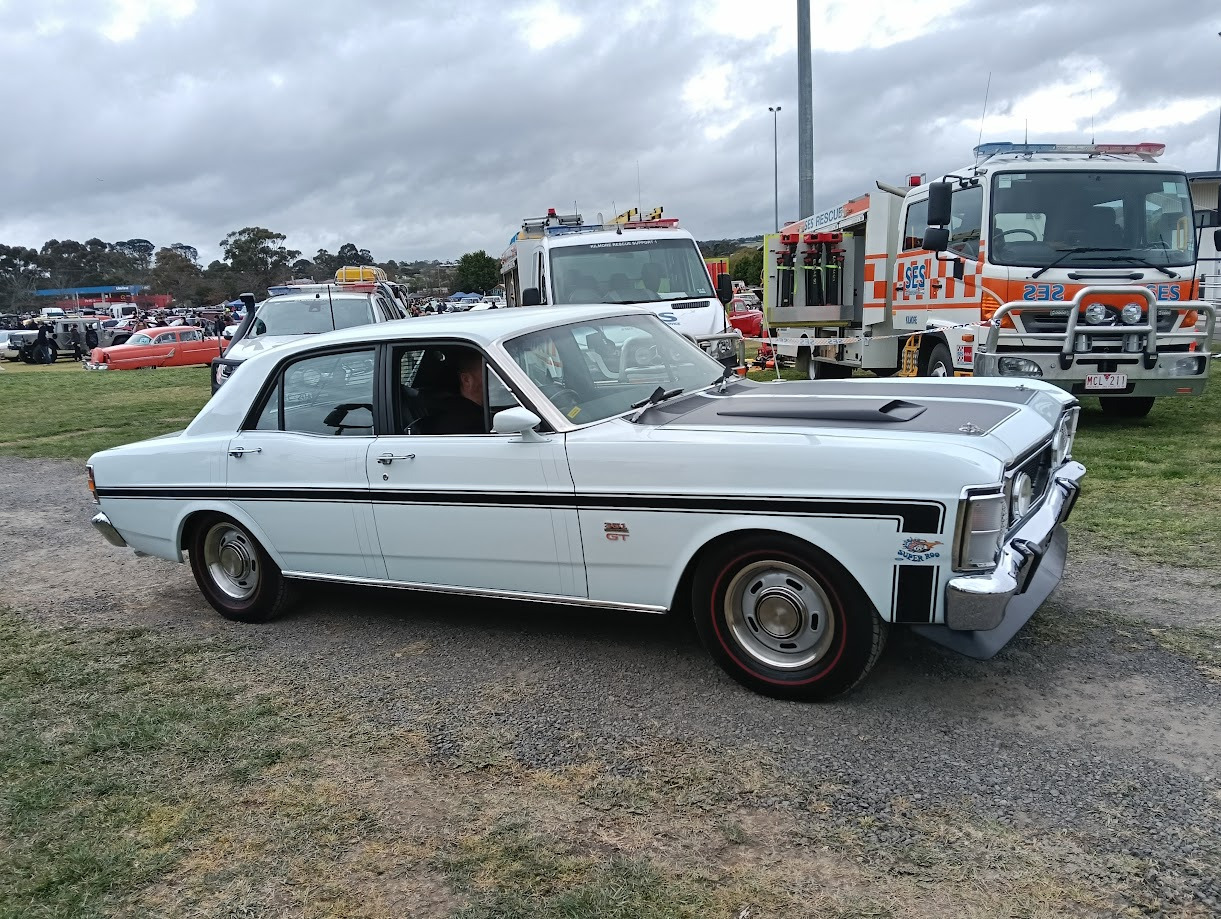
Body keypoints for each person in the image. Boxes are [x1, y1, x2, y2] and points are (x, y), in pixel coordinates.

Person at [420, 351, 485, 435]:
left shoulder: (477, 411)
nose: (497, 383)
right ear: (466, 380)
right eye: (488, 374)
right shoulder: (462, 421)